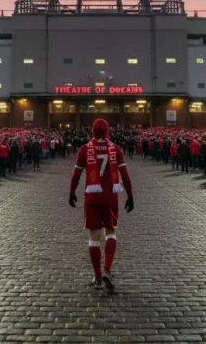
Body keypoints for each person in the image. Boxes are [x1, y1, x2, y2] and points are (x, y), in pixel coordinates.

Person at [69, 119, 134, 293]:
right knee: (111, 232)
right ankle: (107, 270)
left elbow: (75, 175)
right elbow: (126, 177)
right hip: (110, 197)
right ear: (107, 131)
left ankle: (97, 275)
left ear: (92, 131)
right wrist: (130, 195)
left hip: (92, 197)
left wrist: (72, 192)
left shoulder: (84, 149)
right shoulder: (116, 149)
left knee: (93, 237)